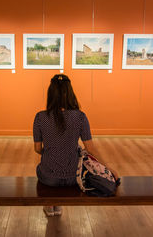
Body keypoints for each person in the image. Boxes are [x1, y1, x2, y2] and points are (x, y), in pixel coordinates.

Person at [33, 74, 109, 217]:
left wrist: (51, 152)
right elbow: (90, 149)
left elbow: (37, 149)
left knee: (41, 167)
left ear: (50, 94)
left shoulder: (40, 117)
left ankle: (50, 206)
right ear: (70, 93)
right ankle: (58, 205)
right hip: (73, 177)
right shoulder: (80, 117)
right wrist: (109, 169)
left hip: (49, 178)